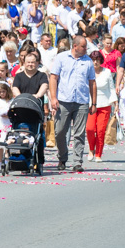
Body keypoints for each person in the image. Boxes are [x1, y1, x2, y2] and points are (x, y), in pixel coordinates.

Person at [49, 36, 96, 172]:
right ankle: (62, 157)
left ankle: (77, 162)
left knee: (79, 133)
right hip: (63, 100)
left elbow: (92, 82)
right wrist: (53, 97)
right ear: (75, 46)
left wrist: (94, 102)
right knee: (59, 132)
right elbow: (53, 77)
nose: (85, 49)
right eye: (83, 47)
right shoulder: (62, 58)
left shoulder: (88, 61)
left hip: (81, 101)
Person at [86, 51, 115, 163]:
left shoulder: (107, 72)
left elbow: (111, 88)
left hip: (105, 104)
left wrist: (115, 103)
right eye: (93, 60)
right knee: (89, 128)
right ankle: (91, 149)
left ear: (101, 61)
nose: (95, 62)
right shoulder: (87, 72)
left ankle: (98, 154)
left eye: (97, 59)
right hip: (90, 104)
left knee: (100, 130)